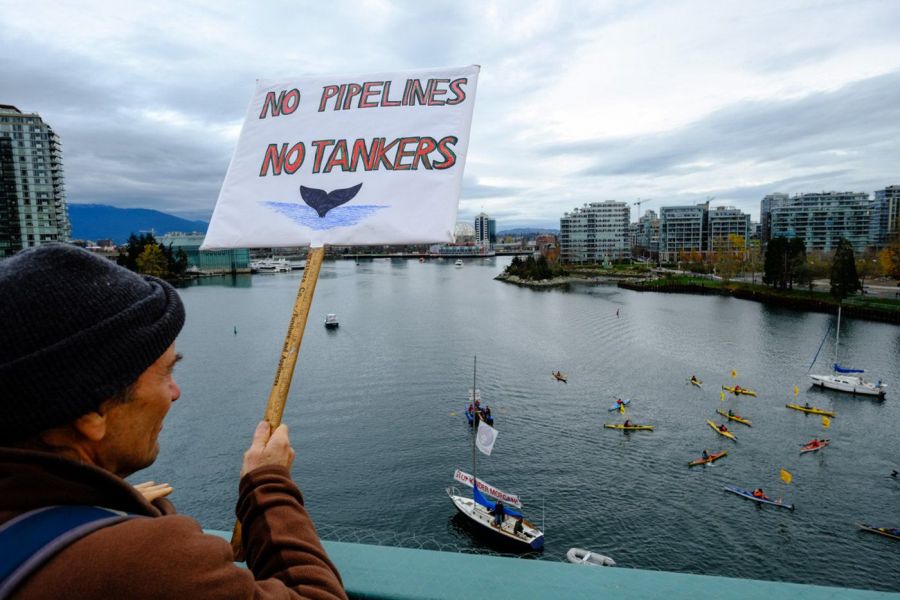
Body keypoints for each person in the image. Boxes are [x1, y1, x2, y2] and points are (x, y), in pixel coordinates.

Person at [0, 245, 347, 599]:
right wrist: (268, 484)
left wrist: (99, 510)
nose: (176, 392)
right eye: (166, 372)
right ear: (93, 414)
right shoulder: (143, 563)